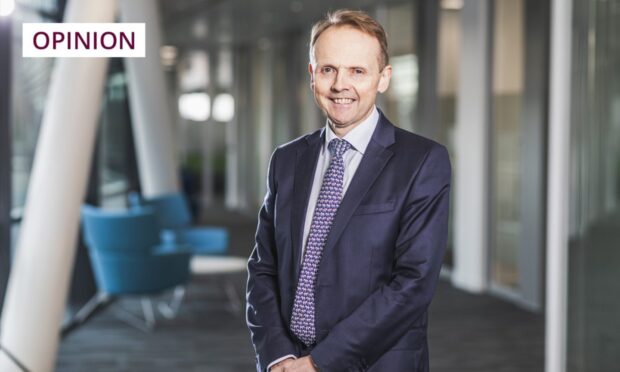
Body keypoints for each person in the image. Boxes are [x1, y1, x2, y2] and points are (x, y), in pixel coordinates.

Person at [246, 9, 451, 372]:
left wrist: (319, 363)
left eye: (357, 71)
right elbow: (264, 267)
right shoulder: (287, 160)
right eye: (328, 70)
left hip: (375, 364)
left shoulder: (421, 162)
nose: (341, 85)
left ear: (383, 78)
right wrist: (278, 356)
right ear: (313, 76)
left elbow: (412, 285)